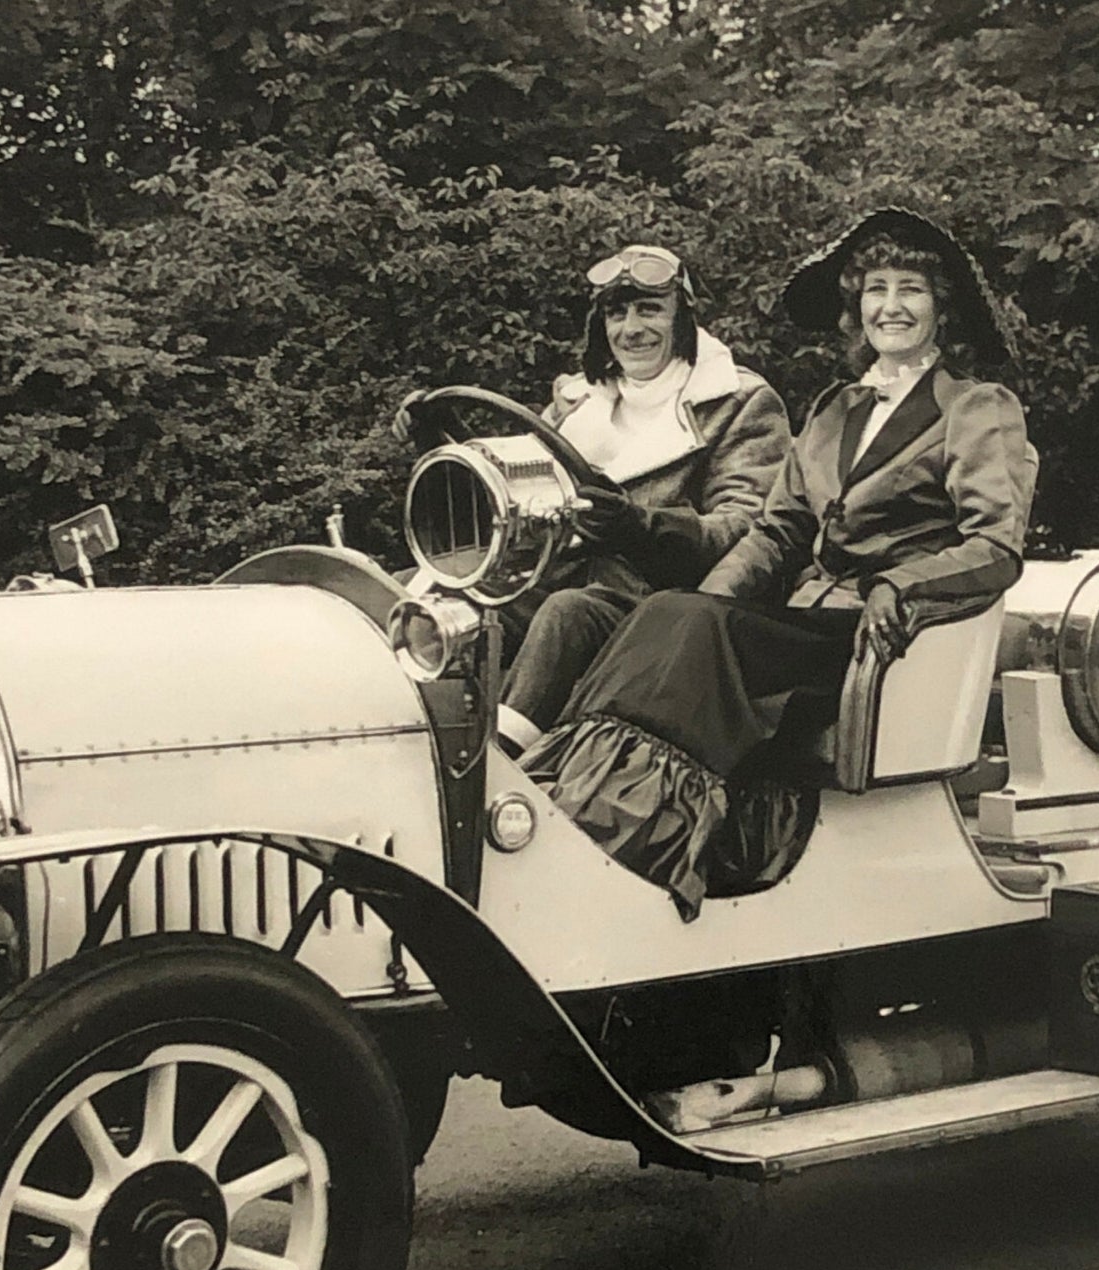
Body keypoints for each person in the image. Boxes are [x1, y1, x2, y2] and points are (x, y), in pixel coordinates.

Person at [521, 208, 1034, 920]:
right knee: (670, 613)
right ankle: (564, 806)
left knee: (691, 623)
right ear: (855, 307)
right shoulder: (835, 409)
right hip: (800, 622)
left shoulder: (977, 408)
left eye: (910, 289)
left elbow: (994, 546)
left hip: (877, 635)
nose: (890, 306)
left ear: (940, 307)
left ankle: (621, 836)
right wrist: (697, 602)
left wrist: (901, 583)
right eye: (875, 289)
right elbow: (773, 536)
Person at [393, 244, 790, 754]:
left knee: (567, 615)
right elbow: (513, 499)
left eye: (650, 308)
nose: (631, 329)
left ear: (683, 318)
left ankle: (503, 767)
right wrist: (438, 441)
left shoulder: (739, 401)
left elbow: (745, 530)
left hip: (661, 603)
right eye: (616, 312)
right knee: (414, 590)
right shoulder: (583, 400)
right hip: (554, 573)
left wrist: (640, 526)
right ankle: (399, 741)